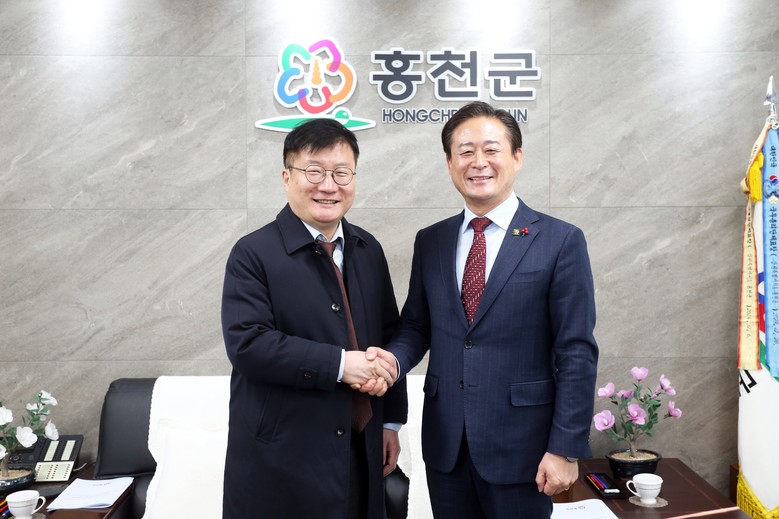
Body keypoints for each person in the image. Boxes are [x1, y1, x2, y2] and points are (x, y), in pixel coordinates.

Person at [362, 101, 599, 518]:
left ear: (517, 156)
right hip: (447, 445)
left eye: (491, 149)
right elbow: (416, 324)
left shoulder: (559, 241)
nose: (478, 162)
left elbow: (576, 351)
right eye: (465, 151)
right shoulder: (431, 240)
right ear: (449, 162)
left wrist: (565, 448)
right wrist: (392, 363)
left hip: (525, 449)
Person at [221, 118, 407, 519]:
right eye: (314, 171)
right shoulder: (253, 253)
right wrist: (341, 365)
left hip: (362, 445)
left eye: (341, 173)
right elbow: (248, 344)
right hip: (284, 454)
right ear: (287, 177)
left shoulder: (367, 248)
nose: (328, 185)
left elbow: (389, 334)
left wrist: (391, 422)